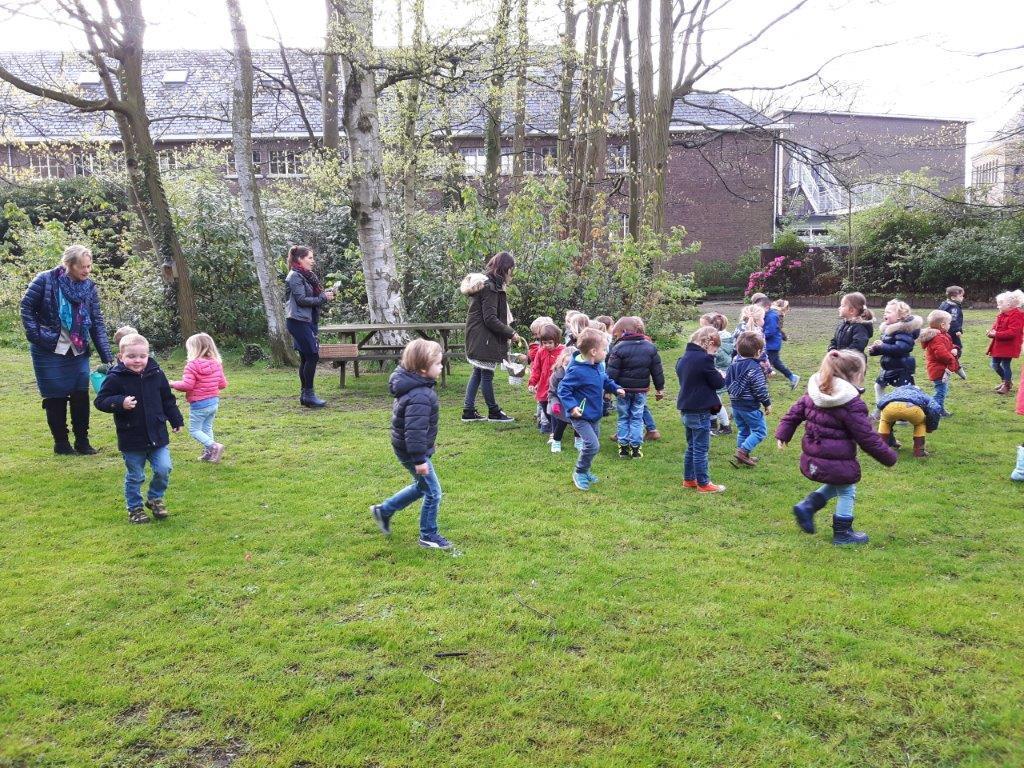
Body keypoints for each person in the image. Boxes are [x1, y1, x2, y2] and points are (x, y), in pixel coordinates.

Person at [775, 349, 898, 545]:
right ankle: (843, 533)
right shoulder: (851, 404)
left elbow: (793, 413)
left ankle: (808, 506)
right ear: (854, 376)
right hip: (836, 457)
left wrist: (783, 434)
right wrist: (888, 456)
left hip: (815, 454)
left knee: (839, 483)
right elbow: (866, 437)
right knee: (847, 490)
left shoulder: (815, 391)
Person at [20, 243, 114, 455]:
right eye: (82, 266)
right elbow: (26, 307)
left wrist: (107, 357)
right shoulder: (45, 280)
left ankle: (83, 442)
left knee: (80, 394)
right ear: (69, 264)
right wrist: (36, 335)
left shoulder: (89, 287)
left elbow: (97, 321)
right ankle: (61, 444)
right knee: (55, 396)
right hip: (48, 349)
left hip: (78, 349)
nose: (87, 271)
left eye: (89, 266)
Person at [370, 339, 452, 550]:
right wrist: (419, 459)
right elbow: (414, 431)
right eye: (438, 364)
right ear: (424, 368)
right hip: (412, 451)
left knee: (422, 487)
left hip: (407, 448)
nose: (441, 367)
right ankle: (428, 534)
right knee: (433, 492)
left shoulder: (415, 385)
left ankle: (384, 510)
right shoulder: (420, 395)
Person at [94, 333, 184, 524]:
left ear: (148, 355)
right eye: (132, 356)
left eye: (142, 356)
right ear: (121, 357)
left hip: (157, 434)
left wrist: (175, 419)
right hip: (131, 437)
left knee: (164, 468)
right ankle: (135, 508)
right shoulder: (115, 378)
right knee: (135, 475)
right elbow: (100, 401)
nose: (138, 360)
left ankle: (154, 497)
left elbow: (167, 399)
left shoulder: (157, 374)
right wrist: (119, 402)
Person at [557, 328, 624, 491]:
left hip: (594, 414)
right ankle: (579, 472)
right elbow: (563, 389)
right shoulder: (577, 370)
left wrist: (615, 388)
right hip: (580, 416)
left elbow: (605, 380)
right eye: (604, 349)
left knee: (592, 446)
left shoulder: (598, 366)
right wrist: (572, 407)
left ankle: (585, 471)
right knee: (592, 445)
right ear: (593, 351)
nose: (606, 353)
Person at [460, 251, 521, 422]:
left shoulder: (489, 284)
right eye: (511, 269)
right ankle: (494, 411)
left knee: (478, 372)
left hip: (478, 336)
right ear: (506, 268)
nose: (512, 273)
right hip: (483, 338)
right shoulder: (490, 288)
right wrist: (511, 333)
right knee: (486, 374)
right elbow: (490, 319)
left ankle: (468, 410)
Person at [676, 325, 727, 493]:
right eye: (715, 349)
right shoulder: (704, 360)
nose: (715, 353)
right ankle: (704, 483)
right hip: (699, 410)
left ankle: (689, 479)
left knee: (691, 446)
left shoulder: (684, 358)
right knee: (701, 449)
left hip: (686, 408)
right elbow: (718, 383)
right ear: (709, 343)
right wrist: (720, 374)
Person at [284, 245, 336, 408]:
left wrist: (323, 295)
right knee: (312, 355)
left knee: (306, 357)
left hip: (307, 320)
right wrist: (323, 298)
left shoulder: (305, 276)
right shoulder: (295, 276)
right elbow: (302, 300)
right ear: (300, 259)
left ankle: (305, 395)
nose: (313, 261)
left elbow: (310, 297)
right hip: (298, 321)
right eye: (310, 258)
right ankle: (309, 394)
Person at [607, 316, 665, 459]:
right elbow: (657, 370)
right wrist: (660, 388)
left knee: (623, 417)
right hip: (640, 391)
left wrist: (608, 390)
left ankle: (623, 448)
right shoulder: (650, 347)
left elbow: (611, 372)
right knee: (637, 418)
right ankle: (636, 448)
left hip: (622, 391)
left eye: (618, 334)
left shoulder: (618, 348)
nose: (617, 337)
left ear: (625, 331)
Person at [170, 333, 229, 462]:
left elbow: (187, 385)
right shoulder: (217, 363)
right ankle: (209, 453)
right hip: (214, 402)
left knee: (194, 430)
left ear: (193, 349)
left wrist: (172, 383)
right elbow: (223, 384)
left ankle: (214, 447)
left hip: (199, 404)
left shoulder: (192, 365)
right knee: (207, 428)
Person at [726, 331, 772, 467]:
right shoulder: (754, 368)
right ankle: (742, 451)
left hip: (735, 405)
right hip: (749, 406)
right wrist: (767, 403)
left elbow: (727, 382)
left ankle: (742, 456)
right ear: (758, 352)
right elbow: (760, 389)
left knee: (743, 430)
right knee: (760, 431)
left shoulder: (733, 364)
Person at [868, 299, 922, 410]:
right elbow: (887, 348)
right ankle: (880, 409)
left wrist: (882, 346)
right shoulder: (889, 331)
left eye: (888, 312)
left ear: (899, 316)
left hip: (902, 367)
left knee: (903, 392)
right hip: (890, 366)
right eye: (885, 311)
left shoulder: (903, 331)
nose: (885, 314)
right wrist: (875, 350)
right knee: (878, 386)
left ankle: (905, 414)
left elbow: (901, 348)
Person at [877, 384, 942, 458]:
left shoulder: (894, 393)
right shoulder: (921, 394)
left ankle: (882, 450)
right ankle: (919, 452)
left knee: (885, 422)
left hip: (890, 407)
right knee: (920, 424)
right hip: (912, 409)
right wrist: (931, 427)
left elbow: (880, 403)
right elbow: (935, 408)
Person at [753, 293, 799, 389]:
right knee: (776, 363)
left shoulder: (772, 316)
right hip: (770, 345)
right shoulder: (767, 315)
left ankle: (761, 387)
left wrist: (758, 336)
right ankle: (792, 377)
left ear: (767, 307)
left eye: (760, 309)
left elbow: (770, 331)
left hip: (771, 346)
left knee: (763, 366)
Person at [919, 309, 960, 417]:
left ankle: (940, 410)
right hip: (939, 369)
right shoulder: (937, 338)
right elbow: (941, 354)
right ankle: (930, 410)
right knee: (940, 392)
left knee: (942, 390)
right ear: (942, 325)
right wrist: (951, 358)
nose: (950, 325)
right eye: (949, 323)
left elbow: (947, 347)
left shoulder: (943, 335)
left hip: (941, 368)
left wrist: (954, 349)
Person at [528, 323, 564, 439]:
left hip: (557, 387)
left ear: (557, 340)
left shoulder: (563, 351)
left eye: (550, 343)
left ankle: (554, 434)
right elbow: (536, 369)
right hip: (543, 386)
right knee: (545, 408)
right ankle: (558, 427)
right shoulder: (540, 352)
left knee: (554, 409)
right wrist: (532, 382)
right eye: (544, 343)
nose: (547, 345)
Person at [986, 289, 1024, 396]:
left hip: (1009, 346)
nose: (998, 307)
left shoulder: (1017, 315)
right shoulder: (1002, 314)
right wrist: (991, 332)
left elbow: (1013, 333)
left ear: (1010, 306)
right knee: (994, 364)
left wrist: (996, 334)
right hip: (999, 345)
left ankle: (1007, 385)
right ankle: (1006, 380)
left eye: (1000, 304)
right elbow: (996, 326)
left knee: (1005, 364)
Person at [701, 312, 733, 435]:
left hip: (717, 374)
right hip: (720, 373)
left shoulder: (716, 344)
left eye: (703, 326)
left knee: (715, 402)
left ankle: (726, 426)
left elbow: (714, 360)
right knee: (712, 399)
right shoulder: (726, 338)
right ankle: (712, 423)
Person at [546, 346, 576, 453]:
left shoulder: (580, 375)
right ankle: (556, 441)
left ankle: (578, 441)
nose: (568, 367)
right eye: (566, 364)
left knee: (578, 423)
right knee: (561, 424)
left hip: (575, 404)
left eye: (571, 364)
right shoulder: (556, 375)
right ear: (561, 362)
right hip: (562, 405)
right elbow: (551, 392)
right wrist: (555, 404)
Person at [939, 286, 965, 357]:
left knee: (947, 346)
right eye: (960, 296)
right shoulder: (953, 308)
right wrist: (957, 330)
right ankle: (954, 364)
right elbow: (953, 320)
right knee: (957, 347)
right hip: (952, 332)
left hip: (943, 330)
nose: (962, 297)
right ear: (953, 298)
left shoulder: (944, 304)